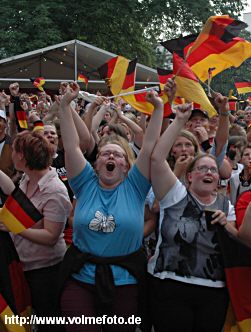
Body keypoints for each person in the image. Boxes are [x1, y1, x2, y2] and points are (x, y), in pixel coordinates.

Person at [57, 82, 163, 332]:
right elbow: (71, 147)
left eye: (118, 155)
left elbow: (148, 147)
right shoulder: (84, 183)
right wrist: (65, 104)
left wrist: (157, 108)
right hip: (80, 279)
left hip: (124, 282)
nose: (112, 157)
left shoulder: (136, 187)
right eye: (106, 154)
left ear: (127, 166)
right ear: (96, 163)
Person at [147, 88, 238, 332]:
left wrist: (226, 225)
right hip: (171, 285)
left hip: (213, 290)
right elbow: (156, 159)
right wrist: (178, 120)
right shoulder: (175, 194)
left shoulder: (225, 205)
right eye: (202, 169)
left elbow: (241, 240)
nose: (209, 172)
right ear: (189, 175)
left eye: (212, 170)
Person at [0, 130, 72, 331]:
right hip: (24, 266)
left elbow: (51, 236)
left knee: (48, 321)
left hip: (45, 271)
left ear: (21, 155)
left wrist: (16, 228)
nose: (11, 153)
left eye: (13, 150)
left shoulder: (54, 190)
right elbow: (14, 196)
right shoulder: (27, 178)